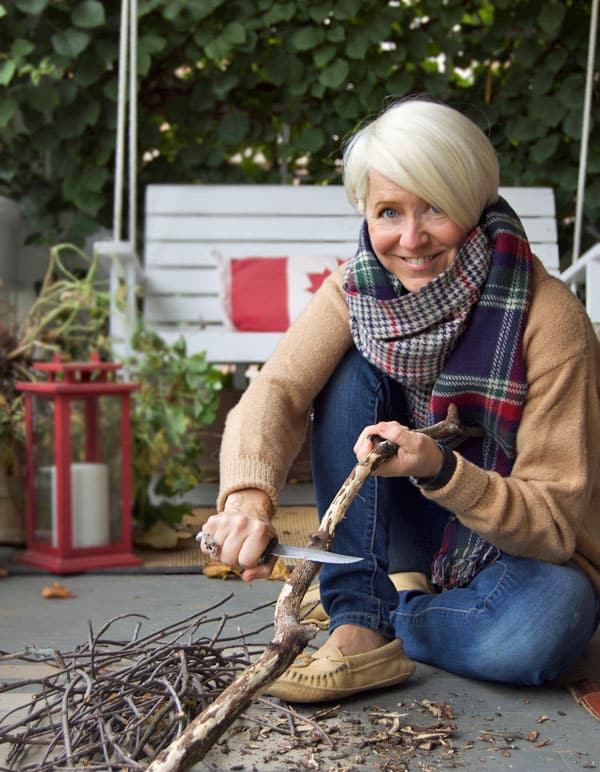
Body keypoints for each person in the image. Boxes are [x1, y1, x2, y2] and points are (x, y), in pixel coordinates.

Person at [200, 97, 600, 704]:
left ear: (473, 207)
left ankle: (397, 614)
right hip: (395, 526)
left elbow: (550, 526)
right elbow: (276, 390)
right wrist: (247, 500)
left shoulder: (550, 321)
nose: (410, 238)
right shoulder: (357, 292)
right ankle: (360, 618)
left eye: (435, 207)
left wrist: (440, 467)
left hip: (513, 548)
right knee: (350, 361)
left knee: (549, 621)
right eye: (389, 211)